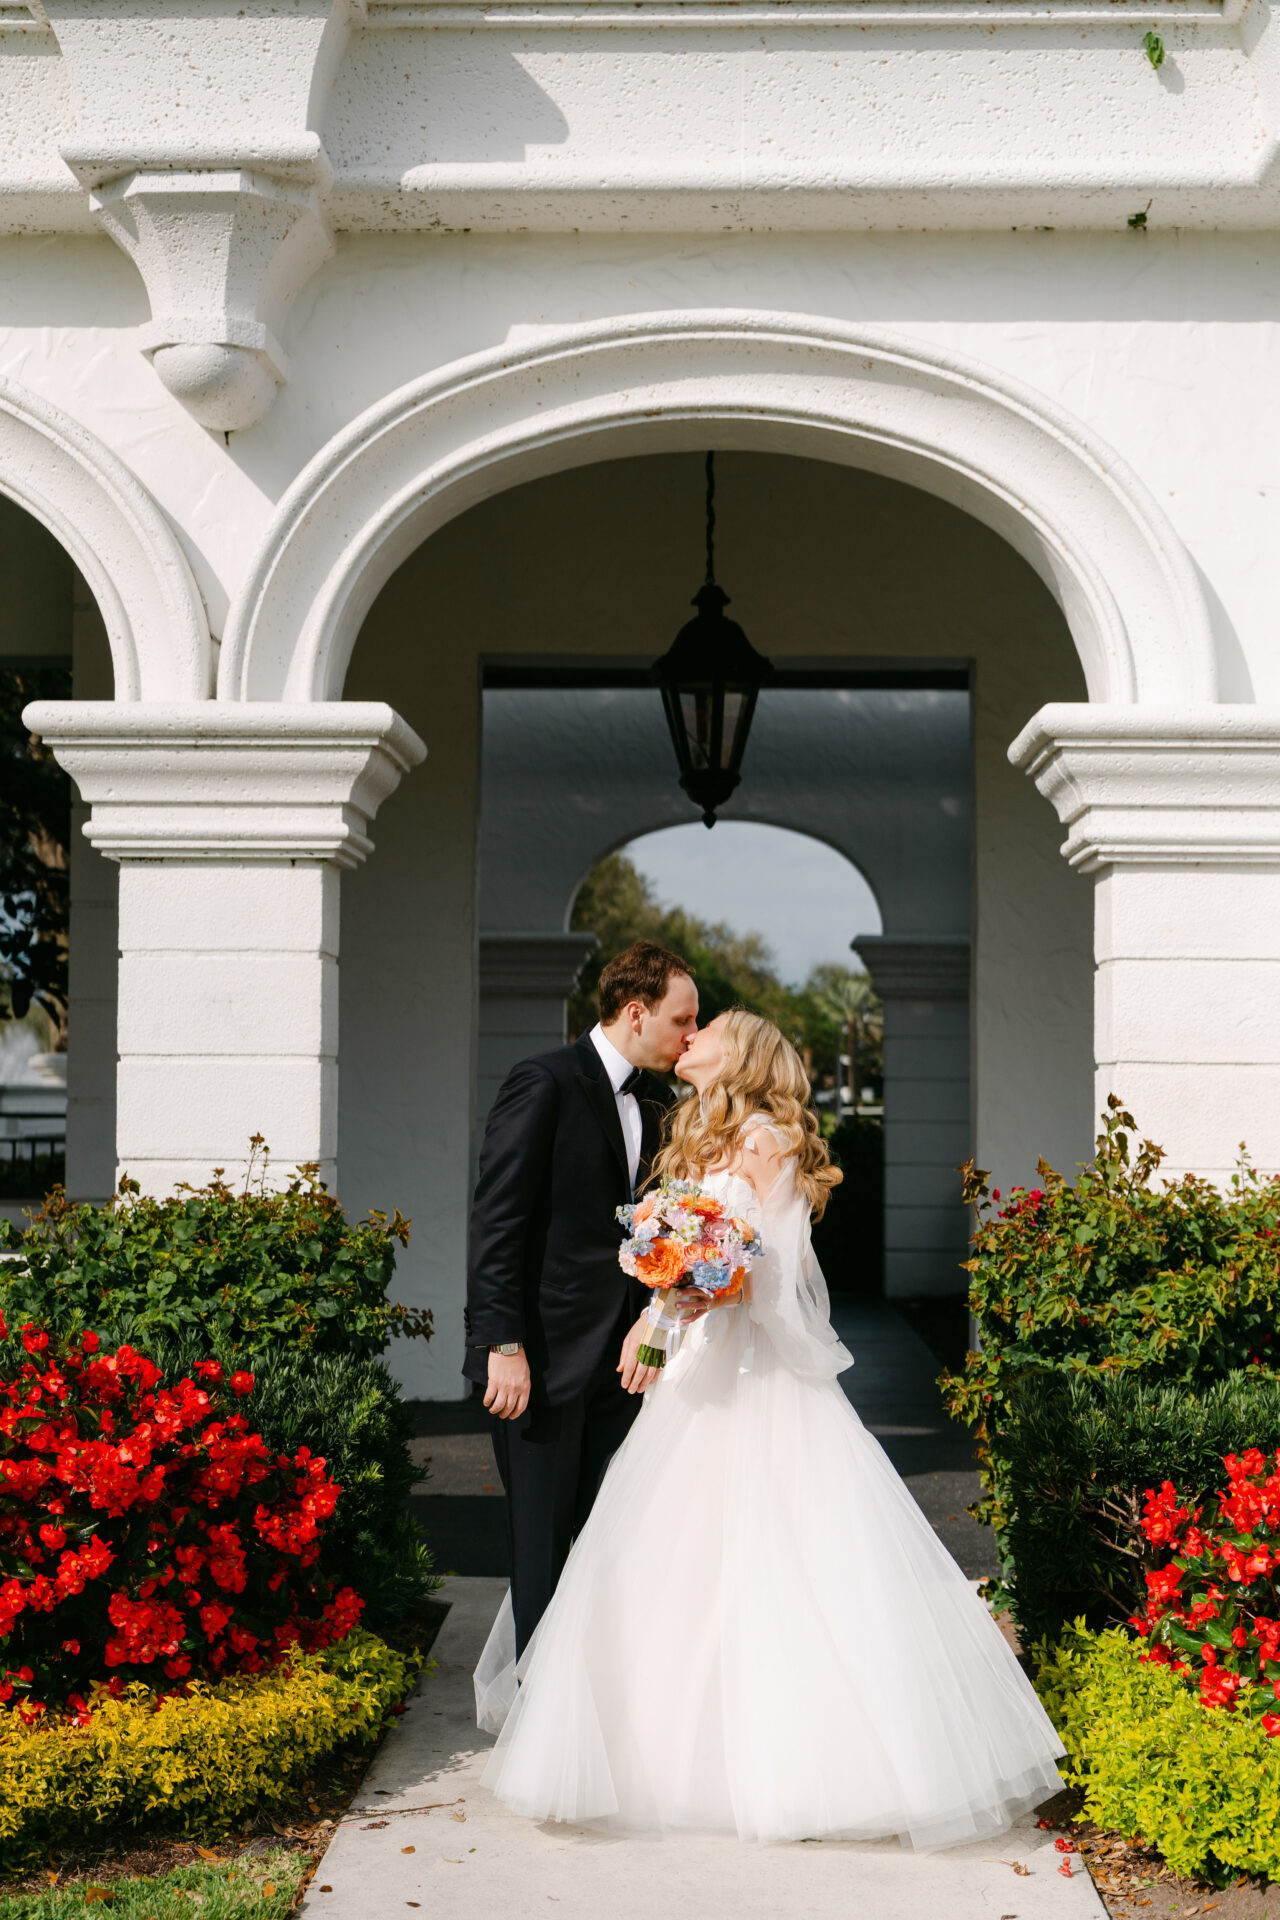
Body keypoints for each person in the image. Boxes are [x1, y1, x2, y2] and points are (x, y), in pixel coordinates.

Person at [476, 1008, 1066, 1848]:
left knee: (774, 1558)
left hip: (753, 1376)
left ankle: (792, 1767)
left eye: (704, 1027)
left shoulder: (766, 1140)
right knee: (667, 1559)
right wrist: (665, 1290)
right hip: (698, 1374)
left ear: (739, 1051)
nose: (689, 1037)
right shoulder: (703, 1136)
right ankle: (650, 1749)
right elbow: (704, 1252)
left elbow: (766, 1272)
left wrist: (677, 1296)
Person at [464, 940, 699, 1660]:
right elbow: (498, 1221)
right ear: (636, 1012)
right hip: (537, 1361)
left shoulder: (661, 1102)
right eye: (682, 1020)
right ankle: (539, 1715)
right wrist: (502, 1345)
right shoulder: (544, 1081)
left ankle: (597, 1712)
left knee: (610, 1544)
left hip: (625, 1367)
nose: (691, 1035)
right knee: (540, 1551)